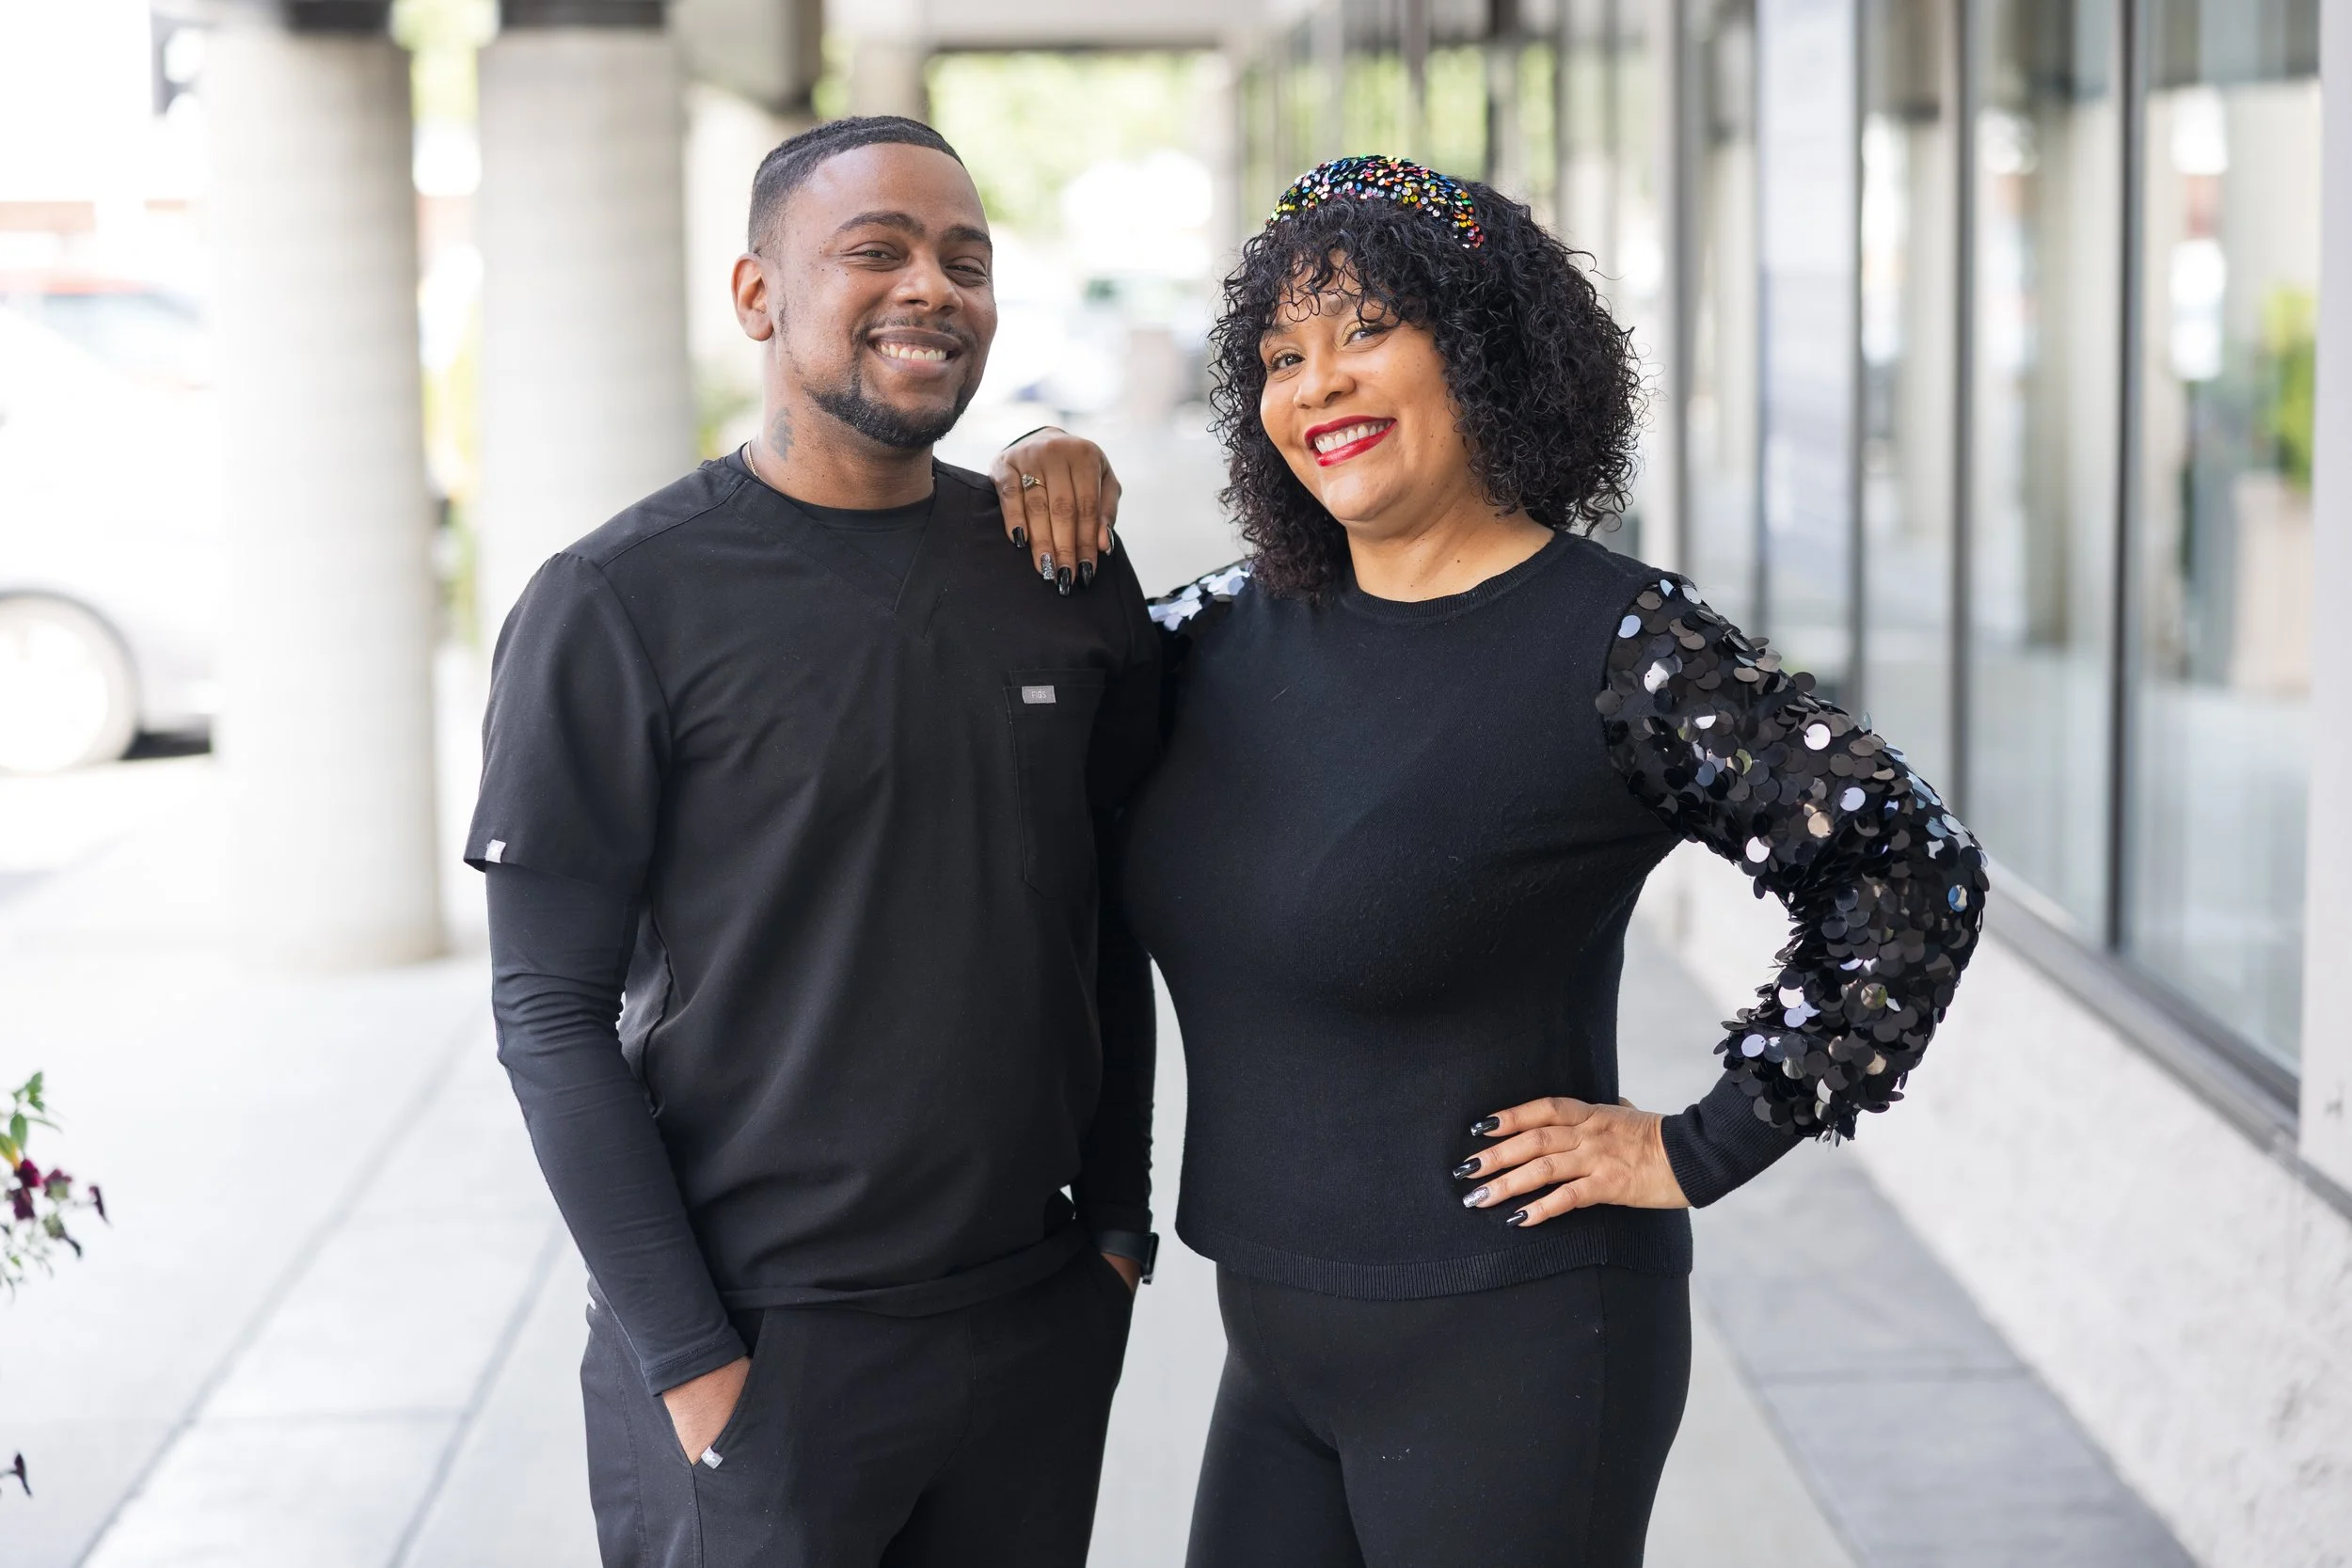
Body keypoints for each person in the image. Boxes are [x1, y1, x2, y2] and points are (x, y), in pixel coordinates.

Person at [1004, 154, 1991, 1567]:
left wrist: (1699, 1142)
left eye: (1364, 331)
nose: (1317, 383)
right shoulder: (1217, 634)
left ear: (1482, 347)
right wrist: (1045, 465)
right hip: (1274, 1340)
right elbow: (1013, 714)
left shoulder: (1622, 649)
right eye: (1283, 354)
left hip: (1519, 1342)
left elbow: (1910, 865)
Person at [469, 116, 1158, 1568]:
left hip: (1033, 1320)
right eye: (878, 251)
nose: (935, 287)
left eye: (966, 261)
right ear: (756, 296)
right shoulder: (615, 601)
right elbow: (545, 1009)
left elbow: (1108, 918)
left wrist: (1115, 1233)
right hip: (765, 1353)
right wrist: (692, 1362)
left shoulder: (1060, 578)